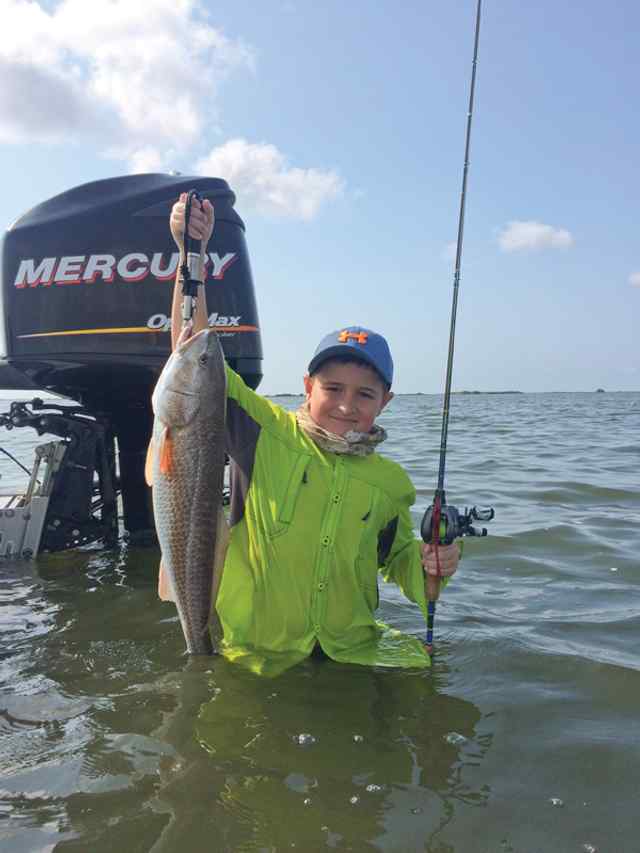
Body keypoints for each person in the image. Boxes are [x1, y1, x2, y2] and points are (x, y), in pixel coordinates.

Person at [165, 193, 460, 675]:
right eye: (333, 388)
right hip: (258, 656)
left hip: (354, 653)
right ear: (307, 387)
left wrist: (434, 566)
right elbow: (196, 353)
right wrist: (189, 253)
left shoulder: (390, 483)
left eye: (366, 395)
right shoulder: (264, 432)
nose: (347, 405)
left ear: (384, 403)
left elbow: (406, 570)